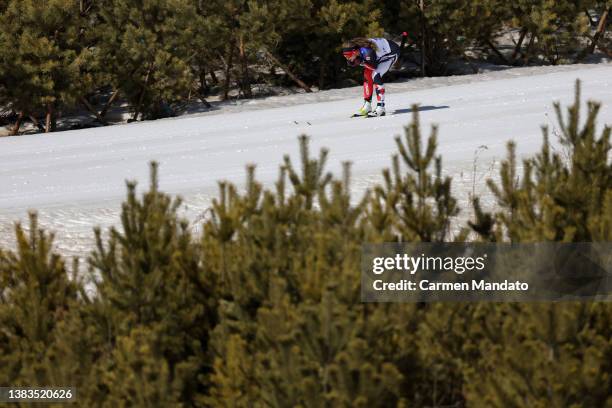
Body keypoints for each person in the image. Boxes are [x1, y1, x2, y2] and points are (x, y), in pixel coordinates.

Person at [342, 37, 401, 117]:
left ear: (354, 51)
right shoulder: (358, 50)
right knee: (367, 75)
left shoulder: (367, 51)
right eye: (345, 56)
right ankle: (367, 105)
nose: (347, 58)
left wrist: (361, 62)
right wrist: (360, 61)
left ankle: (381, 108)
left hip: (391, 53)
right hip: (381, 52)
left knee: (376, 75)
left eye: (348, 55)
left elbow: (373, 66)